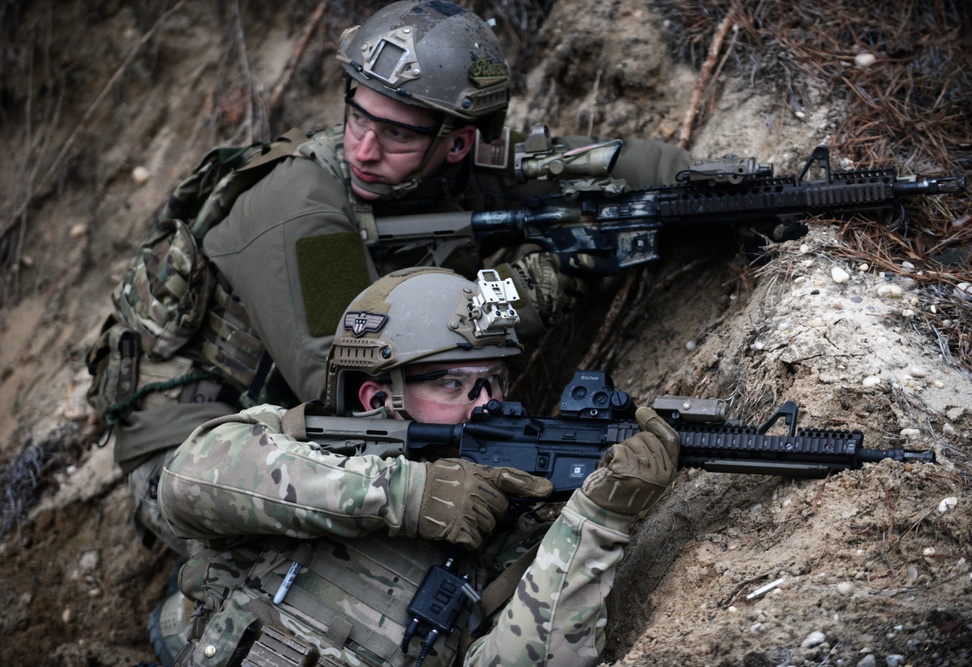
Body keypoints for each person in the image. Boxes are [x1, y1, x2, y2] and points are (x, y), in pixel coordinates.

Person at [96, 0, 691, 558]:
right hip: (202, 451)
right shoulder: (303, 204)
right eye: (358, 115)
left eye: (398, 133)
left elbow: (601, 165)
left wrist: (711, 192)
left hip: (315, 416)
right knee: (386, 558)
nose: (365, 147)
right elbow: (348, 375)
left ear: (458, 143)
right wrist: (532, 287)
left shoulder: (458, 163)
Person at [156, 267, 681, 666]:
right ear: (374, 398)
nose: (484, 405)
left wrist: (594, 521)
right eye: (453, 384)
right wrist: (407, 493)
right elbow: (186, 481)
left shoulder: (515, 528)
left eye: (494, 381)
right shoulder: (296, 440)